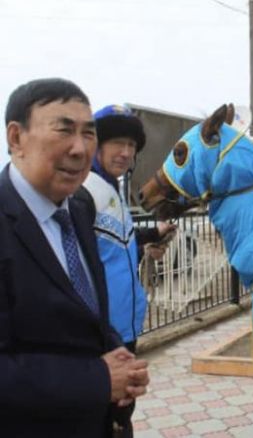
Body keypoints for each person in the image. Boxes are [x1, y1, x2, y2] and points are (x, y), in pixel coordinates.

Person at [0, 78, 150, 437]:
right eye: (63, 131)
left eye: (88, 134)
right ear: (16, 138)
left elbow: (88, 308)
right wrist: (98, 380)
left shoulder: (79, 208)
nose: (80, 149)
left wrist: (119, 354)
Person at [73, 104, 175, 437]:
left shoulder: (111, 189)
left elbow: (113, 246)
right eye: (117, 142)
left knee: (122, 411)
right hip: (102, 333)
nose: (126, 152)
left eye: (132, 146)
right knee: (108, 418)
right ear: (96, 144)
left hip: (123, 327)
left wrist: (147, 242)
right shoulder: (83, 192)